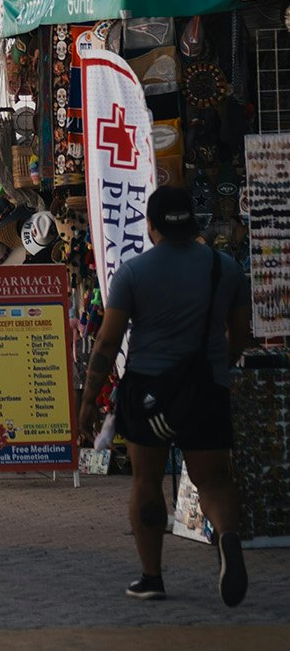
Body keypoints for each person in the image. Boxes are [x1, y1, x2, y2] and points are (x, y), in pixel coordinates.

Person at [78, 185, 253, 606]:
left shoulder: (134, 273)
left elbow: (106, 343)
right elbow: (241, 337)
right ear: (193, 222)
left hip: (148, 391)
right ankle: (227, 539)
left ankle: (152, 576)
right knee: (213, 480)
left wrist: (88, 402)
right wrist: (217, 365)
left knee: (146, 481)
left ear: (151, 226)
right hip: (206, 388)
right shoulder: (224, 268)